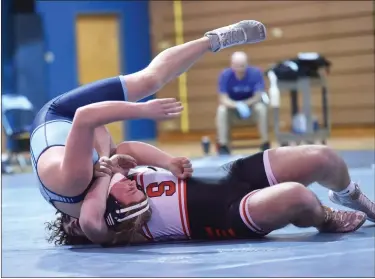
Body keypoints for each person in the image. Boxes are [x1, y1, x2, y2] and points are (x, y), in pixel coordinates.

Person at [32, 20, 267, 243]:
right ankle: (213, 41)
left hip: (61, 114)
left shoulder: (74, 184)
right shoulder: (95, 187)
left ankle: (214, 40)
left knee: (147, 82)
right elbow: (126, 149)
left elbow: (84, 116)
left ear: (74, 222)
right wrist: (167, 162)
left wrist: (142, 110)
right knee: (114, 145)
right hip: (82, 133)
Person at [49, 144, 375, 246]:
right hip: (230, 213)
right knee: (299, 198)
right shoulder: (115, 229)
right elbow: (89, 224)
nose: (77, 223)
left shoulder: (108, 179)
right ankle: (325, 218)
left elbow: (128, 148)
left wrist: (165, 161)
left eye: (70, 218)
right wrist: (104, 175)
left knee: (323, 158)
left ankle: (347, 194)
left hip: (229, 176)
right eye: (72, 228)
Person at [216, 51, 269, 154]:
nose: (240, 69)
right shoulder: (225, 75)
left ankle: (265, 143)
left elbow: (258, 96)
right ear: (232, 65)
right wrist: (237, 105)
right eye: (237, 66)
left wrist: (245, 104)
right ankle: (223, 145)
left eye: (242, 66)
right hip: (233, 111)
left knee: (261, 108)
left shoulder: (255, 73)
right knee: (221, 110)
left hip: (251, 109)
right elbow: (223, 98)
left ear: (247, 64)